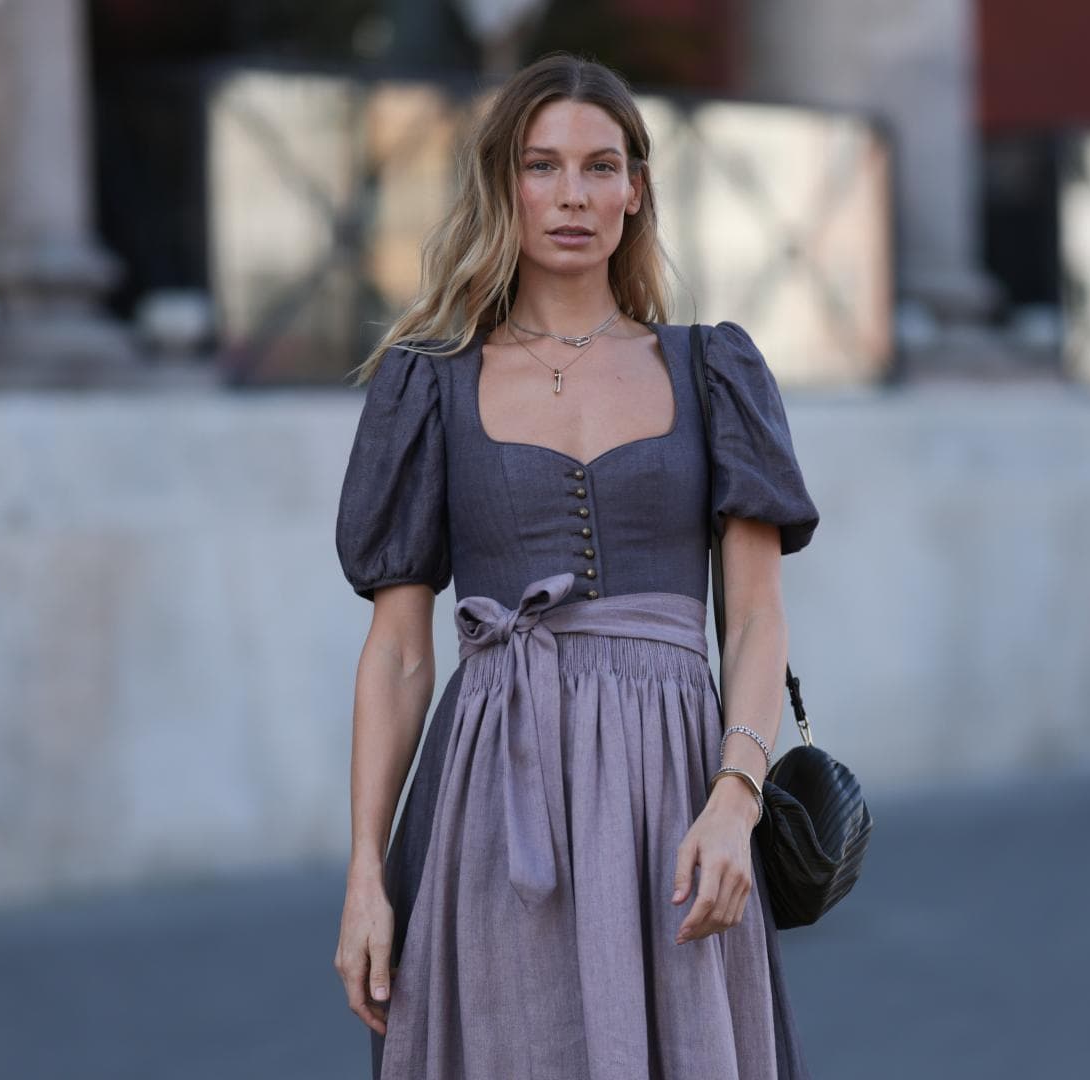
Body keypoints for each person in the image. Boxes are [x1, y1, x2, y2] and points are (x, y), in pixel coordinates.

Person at [333, 52, 820, 1079]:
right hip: (492, 792)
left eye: (601, 167)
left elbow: (758, 614)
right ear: (502, 184)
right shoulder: (426, 385)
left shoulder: (711, 367)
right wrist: (365, 876)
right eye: (542, 165)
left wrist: (736, 795)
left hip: (676, 790)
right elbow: (398, 657)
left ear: (636, 191)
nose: (571, 195)